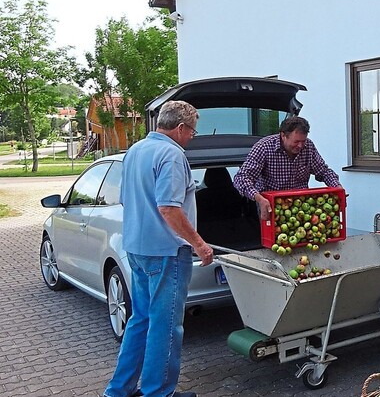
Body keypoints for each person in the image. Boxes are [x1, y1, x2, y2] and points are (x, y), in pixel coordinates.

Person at [103, 100, 213, 397]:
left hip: (137, 249)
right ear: (180, 128)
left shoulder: (135, 151)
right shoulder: (172, 155)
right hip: (166, 253)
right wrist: (199, 244)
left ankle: (119, 390)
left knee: (140, 320)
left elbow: (127, 199)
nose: (192, 137)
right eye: (192, 131)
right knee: (166, 327)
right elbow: (169, 208)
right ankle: (158, 392)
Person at [233, 116, 340, 218]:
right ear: (283, 135)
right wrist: (259, 198)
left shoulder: (308, 146)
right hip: (272, 207)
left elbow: (323, 171)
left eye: (303, 141)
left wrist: (337, 187)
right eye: (296, 142)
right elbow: (241, 178)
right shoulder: (264, 147)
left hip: (302, 207)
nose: (300, 146)